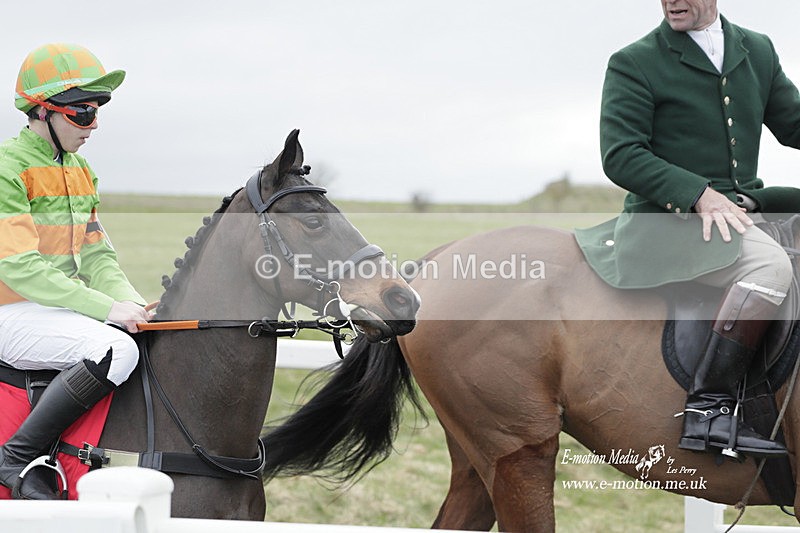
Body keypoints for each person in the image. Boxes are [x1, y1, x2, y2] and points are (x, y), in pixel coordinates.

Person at [575, 1, 800, 459]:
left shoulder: (755, 49)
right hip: (670, 219)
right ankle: (709, 409)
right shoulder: (635, 61)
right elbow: (621, 154)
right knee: (772, 269)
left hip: (741, 209)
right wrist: (699, 194)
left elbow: (793, 122)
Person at [0, 43, 151, 499]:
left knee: (144, 334)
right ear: (43, 111)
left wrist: (135, 304)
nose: (94, 124)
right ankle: (17, 457)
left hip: (52, 310)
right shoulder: (8, 167)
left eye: (98, 111)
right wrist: (107, 309)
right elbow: (21, 268)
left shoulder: (82, 172)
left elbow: (99, 256)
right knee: (117, 351)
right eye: (83, 112)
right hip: (11, 310)